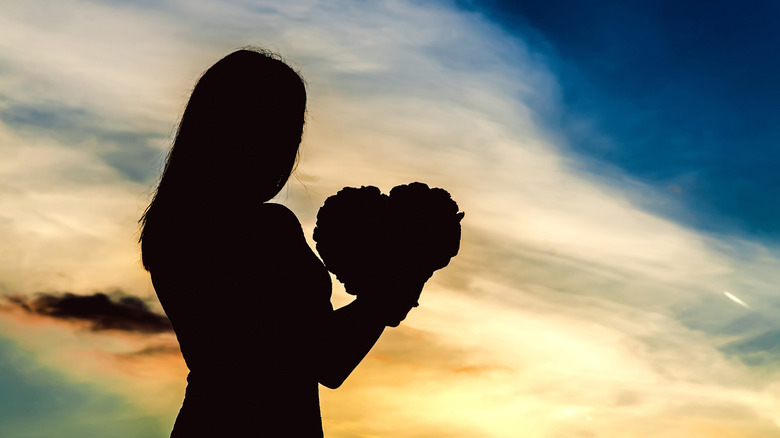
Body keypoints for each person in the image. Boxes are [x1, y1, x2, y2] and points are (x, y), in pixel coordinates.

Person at [139, 48, 422, 437]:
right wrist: (402, 278)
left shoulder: (172, 229)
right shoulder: (262, 230)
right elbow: (326, 358)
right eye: (281, 126)